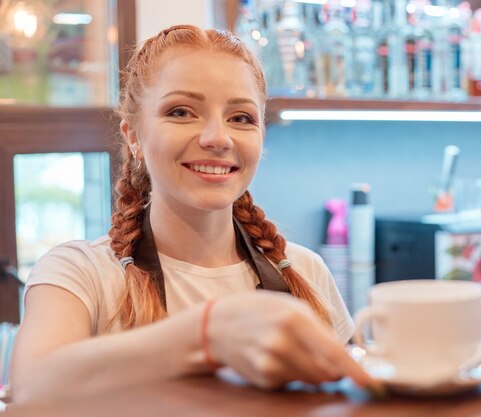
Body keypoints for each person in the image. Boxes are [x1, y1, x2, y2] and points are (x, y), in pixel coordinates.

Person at [10, 25, 374, 403]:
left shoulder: (304, 270)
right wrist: (207, 334)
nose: (218, 137)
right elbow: (32, 389)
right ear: (133, 135)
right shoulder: (80, 273)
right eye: (181, 112)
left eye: (241, 117)